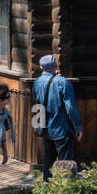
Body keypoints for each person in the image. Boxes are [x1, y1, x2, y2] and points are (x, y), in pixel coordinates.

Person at [33, 54, 82, 182]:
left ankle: (46, 188)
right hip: (62, 128)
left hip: (45, 128)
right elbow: (70, 108)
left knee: (48, 161)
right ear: (55, 66)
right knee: (65, 164)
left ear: (41, 67)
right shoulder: (63, 82)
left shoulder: (37, 82)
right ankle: (63, 189)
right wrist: (77, 127)